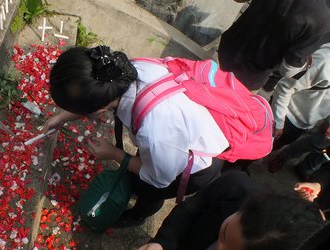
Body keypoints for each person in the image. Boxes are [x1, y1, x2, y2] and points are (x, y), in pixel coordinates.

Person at [44, 46, 228, 227]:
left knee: (150, 191)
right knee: (145, 167)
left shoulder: (153, 133)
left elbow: (159, 178)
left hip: (196, 163)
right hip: (183, 133)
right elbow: (100, 96)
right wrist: (62, 117)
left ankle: (138, 216)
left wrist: (115, 154)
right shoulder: (119, 70)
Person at [135, 171, 326, 250]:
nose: (220, 249)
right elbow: (191, 209)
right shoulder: (235, 186)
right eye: (225, 232)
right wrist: (163, 243)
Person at [218, 0, 330, 90]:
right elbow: (288, 70)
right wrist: (306, 64)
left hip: (226, 51)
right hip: (251, 77)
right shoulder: (324, 18)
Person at [271, 43, 330, 150]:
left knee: (271, 148)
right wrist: (278, 122)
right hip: (286, 115)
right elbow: (285, 86)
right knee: (251, 149)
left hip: (304, 125)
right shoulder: (325, 61)